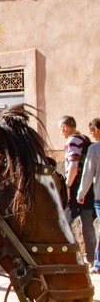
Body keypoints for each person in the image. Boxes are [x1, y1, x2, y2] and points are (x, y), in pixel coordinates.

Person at [59, 115, 94, 264]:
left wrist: (67, 186)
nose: (61, 132)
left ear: (66, 127)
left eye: (60, 129)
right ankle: (92, 257)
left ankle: (69, 256)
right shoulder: (84, 138)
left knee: (64, 223)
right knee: (87, 224)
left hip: (75, 187)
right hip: (88, 187)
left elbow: (73, 165)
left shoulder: (73, 141)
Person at [77, 117, 100, 273]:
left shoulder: (94, 149)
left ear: (97, 130)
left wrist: (81, 193)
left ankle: (98, 263)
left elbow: (87, 174)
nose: (91, 134)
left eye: (91, 131)